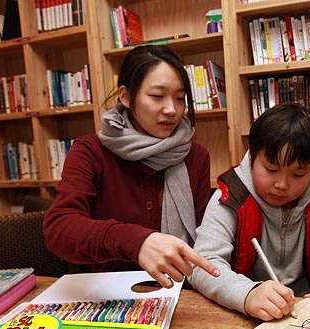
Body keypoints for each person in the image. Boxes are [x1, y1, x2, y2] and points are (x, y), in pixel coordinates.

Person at [43, 45, 220, 288]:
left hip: (179, 291)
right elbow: (60, 228)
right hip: (107, 292)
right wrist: (138, 242)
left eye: (180, 99)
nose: (171, 110)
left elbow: (202, 239)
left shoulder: (195, 157)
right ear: (125, 96)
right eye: (157, 96)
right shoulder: (90, 151)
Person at [188, 102, 310, 321]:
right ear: (252, 158)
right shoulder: (231, 197)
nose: (282, 184)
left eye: (298, 175)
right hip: (245, 311)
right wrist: (248, 293)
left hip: (307, 310)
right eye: (271, 170)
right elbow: (203, 264)